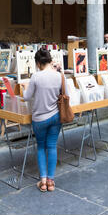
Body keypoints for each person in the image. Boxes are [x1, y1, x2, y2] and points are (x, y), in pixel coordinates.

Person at [21, 48, 63, 193]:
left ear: (38, 63)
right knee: (52, 146)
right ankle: (51, 182)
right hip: (56, 117)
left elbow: (26, 97)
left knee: (40, 147)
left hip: (39, 119)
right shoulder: (59, 76)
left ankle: (43, 181)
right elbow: (66, 94)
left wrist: (25, 88)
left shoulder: (36, 77)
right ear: (50, 61)